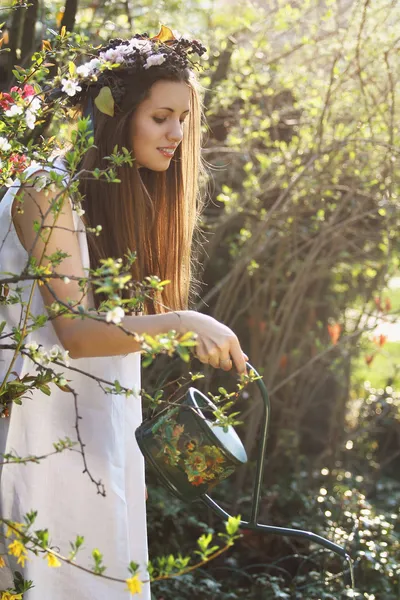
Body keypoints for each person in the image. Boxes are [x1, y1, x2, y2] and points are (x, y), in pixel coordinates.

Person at [0, 26, 248, 599]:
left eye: (184, 119)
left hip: (94, 440)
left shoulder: (115, 199)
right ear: (114, 113)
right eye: (162, 117)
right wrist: (185, 323)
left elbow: (109, 345)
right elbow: (78, 334)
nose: (177, 134)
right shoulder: (48, 192)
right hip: (38, 441)